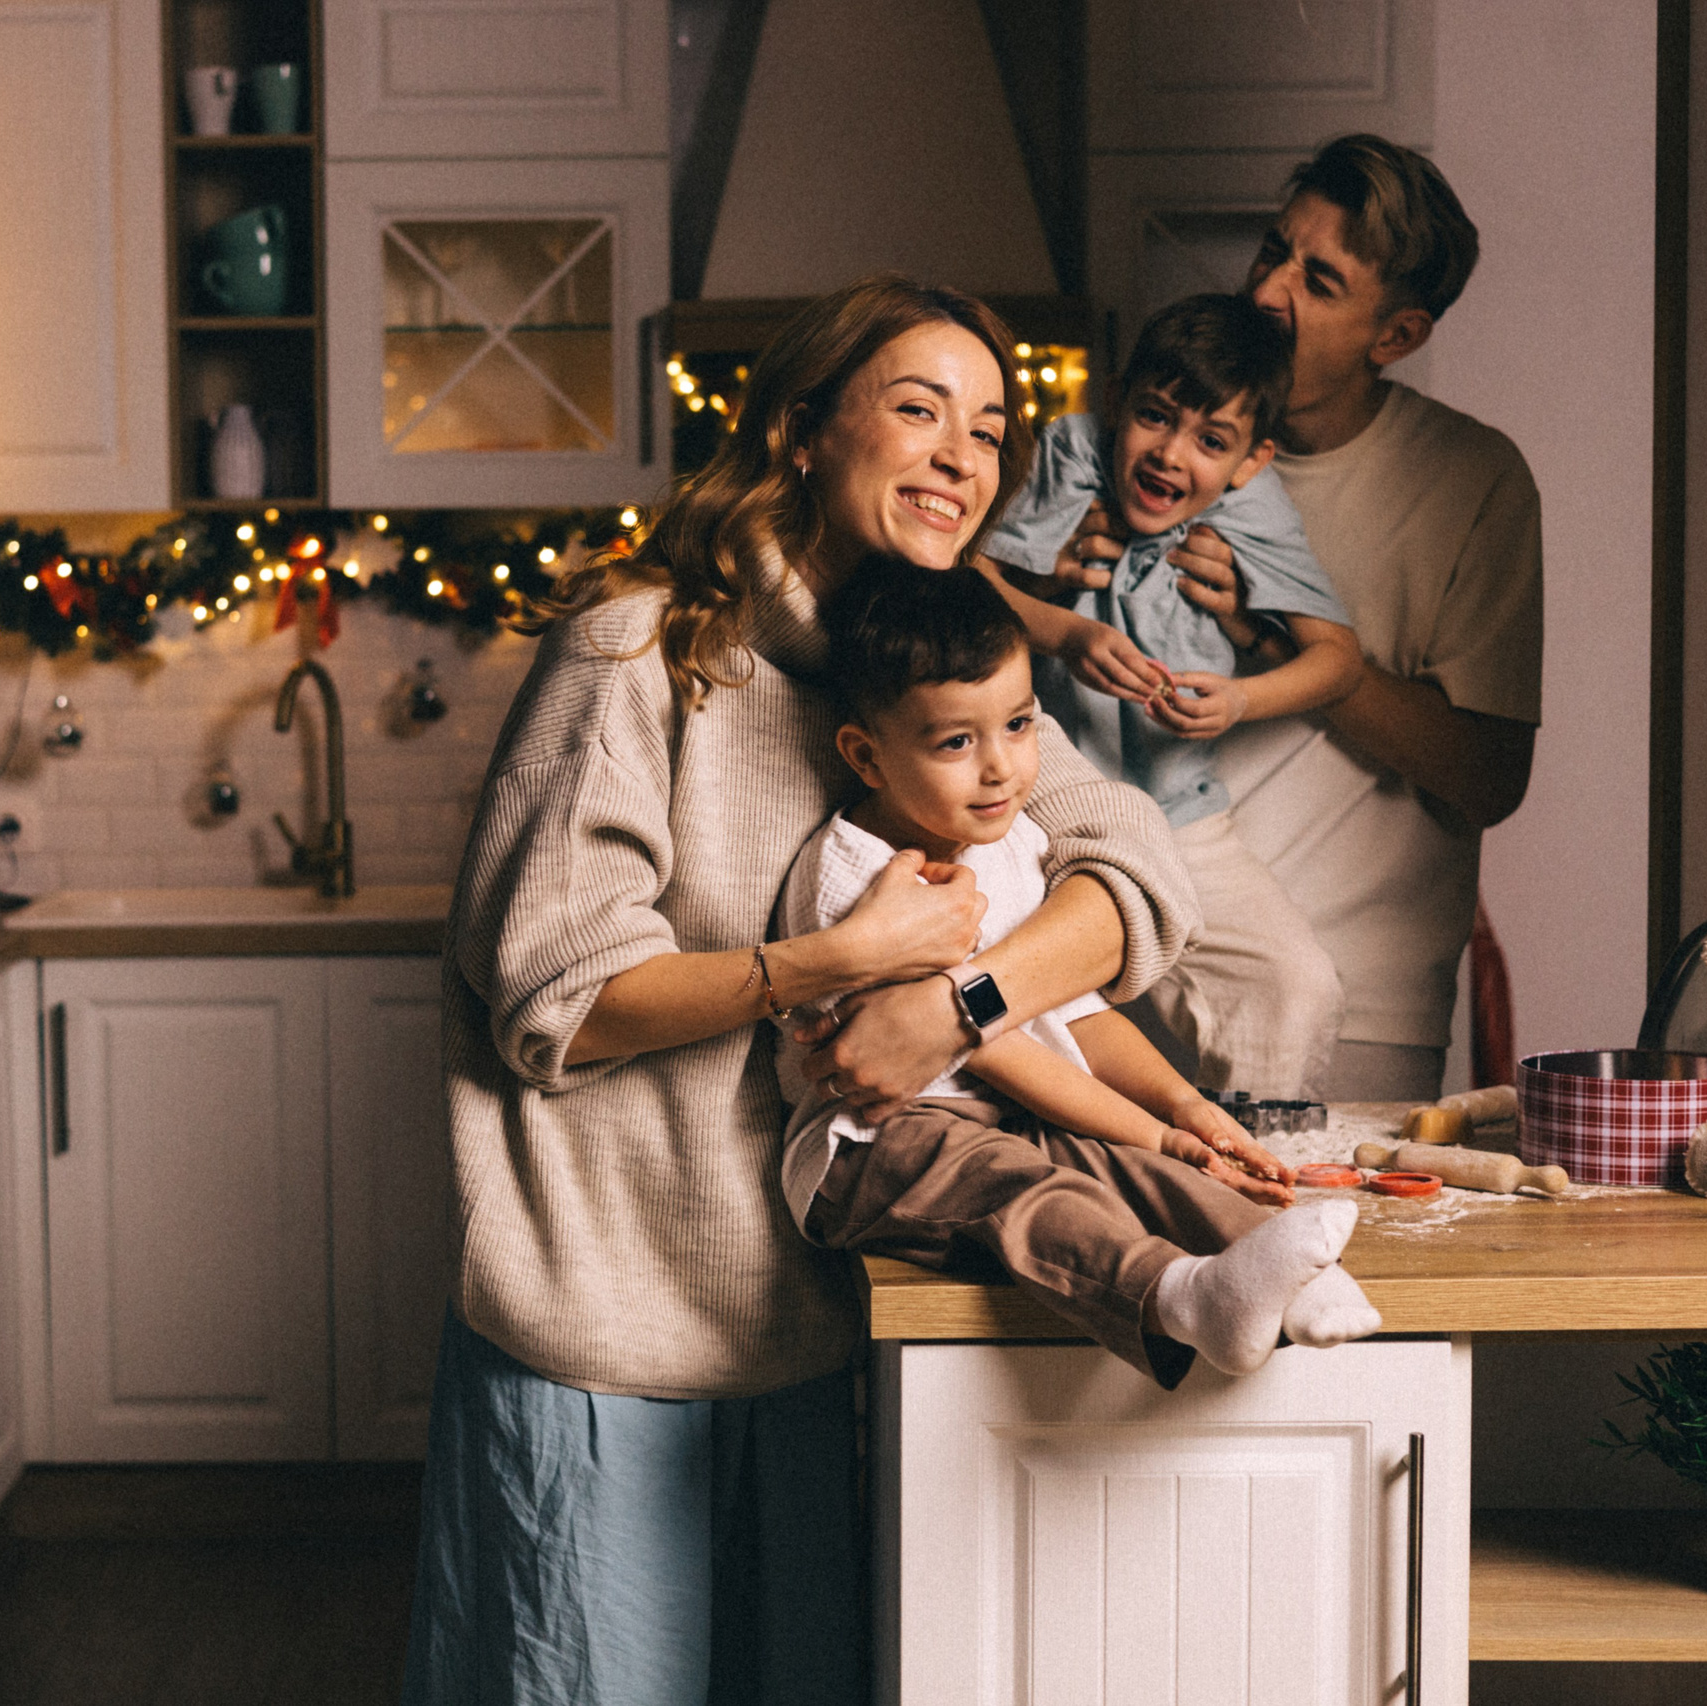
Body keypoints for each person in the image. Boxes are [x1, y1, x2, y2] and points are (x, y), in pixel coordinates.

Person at [405, 276, 1209, 1705]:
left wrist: (953, 1006)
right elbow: (557, 1000)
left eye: (991, 426)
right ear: (797, 432)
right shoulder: (637, 650)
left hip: (812, 1322)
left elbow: (1131, 873)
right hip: (604, 1325)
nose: (964, 454)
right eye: (918, 408)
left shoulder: (929, 670)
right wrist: (839, 964)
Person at [776, 554, 1380, 1385]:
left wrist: (1183, 1109)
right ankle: (1180, 1297)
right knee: (1023, 1185)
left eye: (1019, 725)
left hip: (1016, 1115)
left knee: (1143, 1169)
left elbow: (1078, 1016)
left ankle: (1290, 1274)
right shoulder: (862, 874)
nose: (1001, 768)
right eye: (957, 741)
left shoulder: (1016, 840)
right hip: (880, 1147)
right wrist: (1151, 1128)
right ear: (867, 755)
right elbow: (992, 1046)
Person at [1046, 135, 1543, 1101]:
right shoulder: (1145, 447)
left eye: (1319, 280)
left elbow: (1488, 775)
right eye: (1272, 252)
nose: (1269, 291)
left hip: (1357, 1001)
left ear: (1395, 335)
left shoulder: (1472, 480)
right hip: (1124, 958)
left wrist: (1289, 652)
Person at [973, 294, 1361, 1098]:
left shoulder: (1251, 504)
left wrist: (1238, 701)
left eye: (1211, 441)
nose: (1169, 456)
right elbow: (962, 580)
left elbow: (1338, 661)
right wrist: (1064, 632)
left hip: (1183, 816)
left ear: (1251, 461)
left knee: (1296, 983)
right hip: (1041, 812)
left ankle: (1258, 1182)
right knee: (1007, 1003)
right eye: (1154, 417)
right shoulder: (1073, 450)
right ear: (1116, 401)